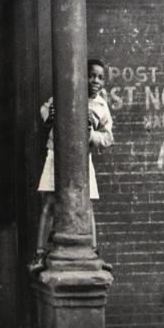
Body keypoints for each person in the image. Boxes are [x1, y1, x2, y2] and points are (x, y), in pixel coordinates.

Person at [31, 58, 113, 271]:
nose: (95, 80)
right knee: (49, 203)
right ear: (83, 75)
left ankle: (93, 252)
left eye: (100, 78)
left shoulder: (102, 106)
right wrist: (50, 117)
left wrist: (91, 134)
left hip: (82, 158)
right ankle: (39, 254)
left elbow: (108, 138)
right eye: (91, 75)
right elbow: (44, 109)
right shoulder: (65, 94)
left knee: (88, 206)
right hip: (56, 152)